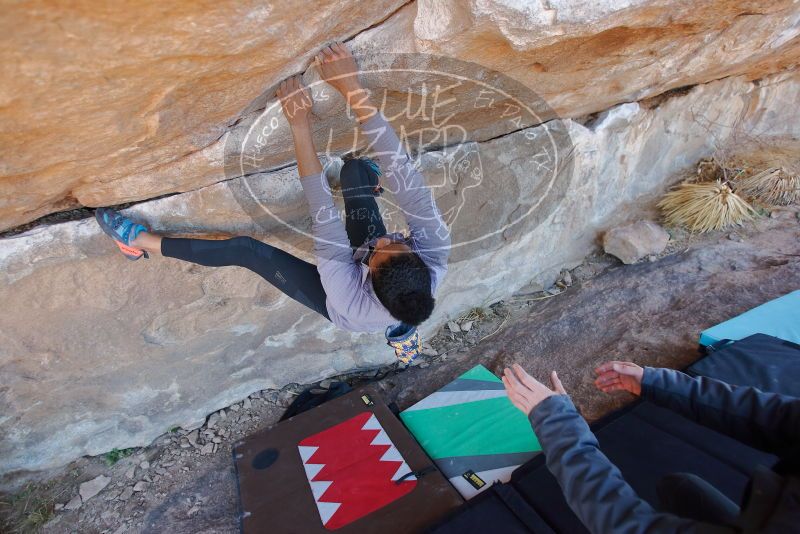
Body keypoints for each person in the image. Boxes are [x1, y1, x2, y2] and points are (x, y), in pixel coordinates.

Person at [94, 42, 450, 364]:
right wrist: (351, 87)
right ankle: (403, 318)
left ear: (369, 274)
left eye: (380, 251)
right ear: (420, 258)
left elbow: (321, 208)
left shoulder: (347, 296)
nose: (385, 238)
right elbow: (400, 168)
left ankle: (137, 242)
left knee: (247, 250)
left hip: (345, 305)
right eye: (400, 244)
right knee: (356, 170)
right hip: (388, 281)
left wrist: (299, 124)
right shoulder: (434, 249)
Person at [501, 361, 800, 533]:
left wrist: (555, 421)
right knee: (681, 487)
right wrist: (657, 383)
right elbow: (780, 418)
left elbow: (628, 527)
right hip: (767, 506)